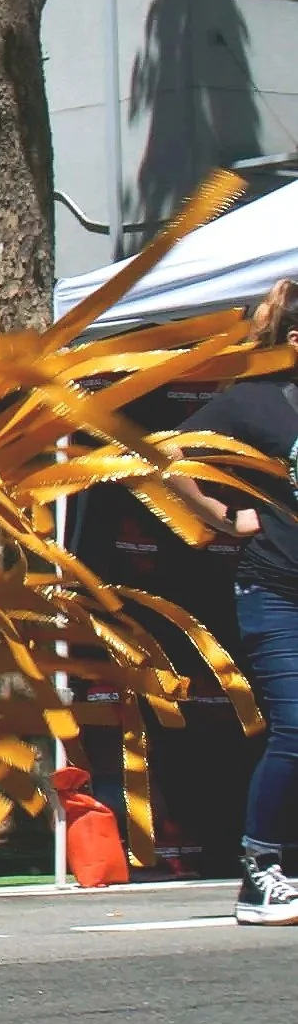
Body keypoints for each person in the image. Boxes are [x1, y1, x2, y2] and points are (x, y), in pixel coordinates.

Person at [173, 275, 298, 924]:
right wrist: (225, 518)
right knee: (297, 729)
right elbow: (170, 454)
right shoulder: (256, 403)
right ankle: (259, 873)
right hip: (276, 592)